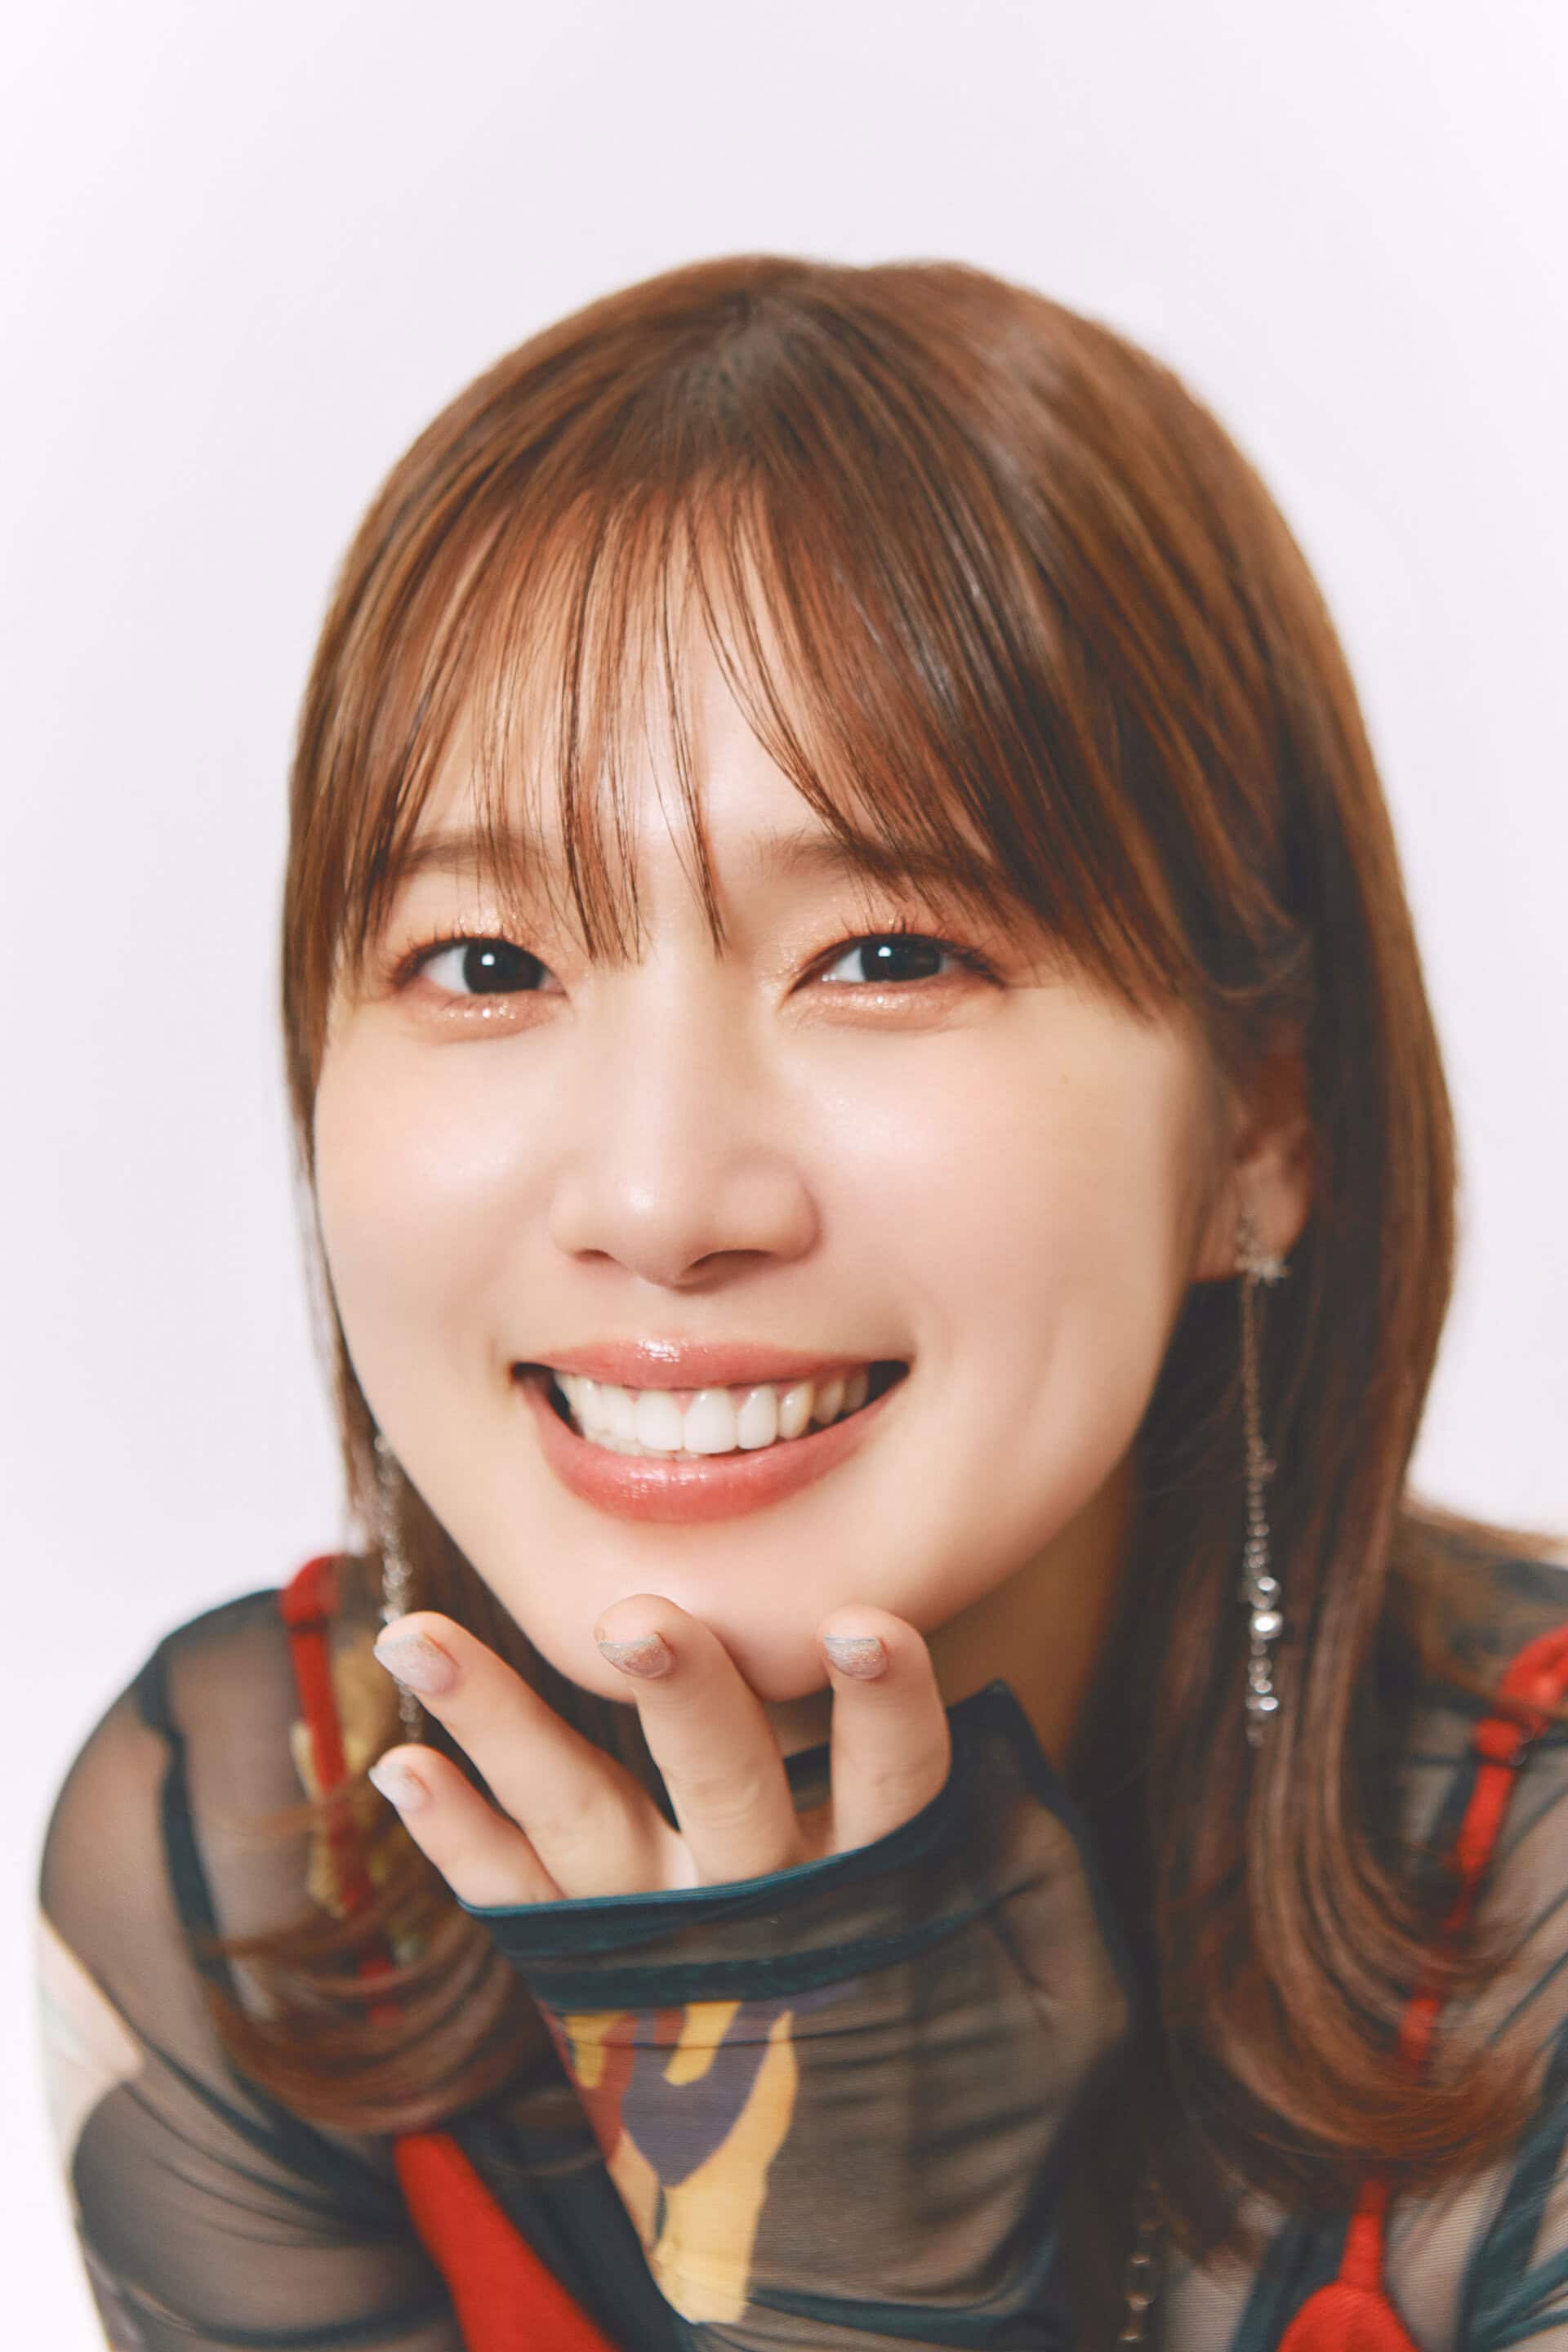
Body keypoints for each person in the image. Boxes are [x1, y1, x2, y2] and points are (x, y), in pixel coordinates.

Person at [35, 252, 1568, 2352]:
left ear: (1261, 1130)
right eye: (486, 964)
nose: (663, 1201)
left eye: (889, 956)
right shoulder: (255, 1853)